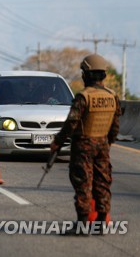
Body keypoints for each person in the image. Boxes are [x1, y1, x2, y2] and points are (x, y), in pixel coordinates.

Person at [50, 54, 121, 235]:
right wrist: (107, 143)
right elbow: (115, 125)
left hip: (83, 145)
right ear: (104, 74)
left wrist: (57, 141)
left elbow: (71, 123)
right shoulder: (112, 96)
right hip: (103, 144)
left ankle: (82, 224)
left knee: (83, 182)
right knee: (102, 182)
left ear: (87, 74)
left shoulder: (84, 97)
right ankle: (101, 222)